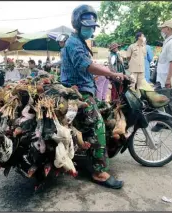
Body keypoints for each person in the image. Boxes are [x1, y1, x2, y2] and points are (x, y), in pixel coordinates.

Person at [61, 4, 125, 189]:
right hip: (76, 94)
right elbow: (87, 66)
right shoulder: (73, 43)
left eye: (91, 26)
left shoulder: (80, 42)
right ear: (77, 25)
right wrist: (112, 74)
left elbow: (89, 64)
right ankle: (99, 172)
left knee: (108, 110)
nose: (90, 29)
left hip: (84, 90)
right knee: (96, 124)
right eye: (86, 26)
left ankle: (93, 151)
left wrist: (111, 71)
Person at [152, 20, 172, 131]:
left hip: (166, 79)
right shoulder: (168, 42)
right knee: (162, 101)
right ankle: (165, 123)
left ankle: (169, 124)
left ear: (168, 29)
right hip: (162, 78)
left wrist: (168, 79)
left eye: (163, 28)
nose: (161, 30)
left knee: (167, 102)